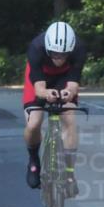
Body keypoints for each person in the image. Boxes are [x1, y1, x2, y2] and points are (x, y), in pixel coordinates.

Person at [22, 21, 86, 195]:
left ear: (71, 50)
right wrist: (45, 94)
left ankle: (70, 174)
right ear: (47, 49)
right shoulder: (36, 48)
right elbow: (39, 88)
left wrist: (67, 93)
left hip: (64, 78)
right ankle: (34, 159)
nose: (58, 58)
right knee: (34, 123)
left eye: (63, 55)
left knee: (69, 119)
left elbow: (73, 83)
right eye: (54, 54)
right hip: (40, 78)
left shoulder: (79, 48)